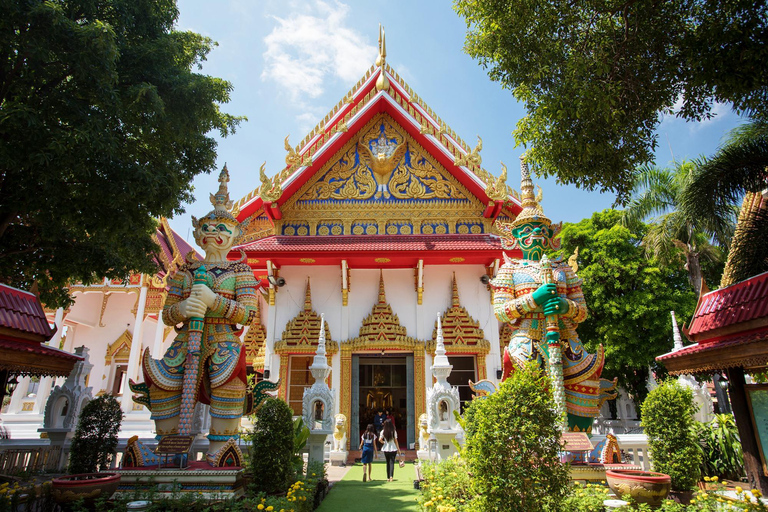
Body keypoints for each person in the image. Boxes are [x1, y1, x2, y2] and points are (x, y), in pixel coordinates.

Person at [490, 157, 616, 433]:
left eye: (540, 229)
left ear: (550, 235)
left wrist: (562, 304)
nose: (534, 233)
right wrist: (534, 299)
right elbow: (501, 311)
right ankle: (536, 450)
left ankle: (577, 448)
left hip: (566, 339)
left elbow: (582, 311)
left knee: (584, 384)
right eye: (527, 229)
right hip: (528, 339)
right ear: (516, 236)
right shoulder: (509, 270)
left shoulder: (564, 270)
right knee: (529, 394)